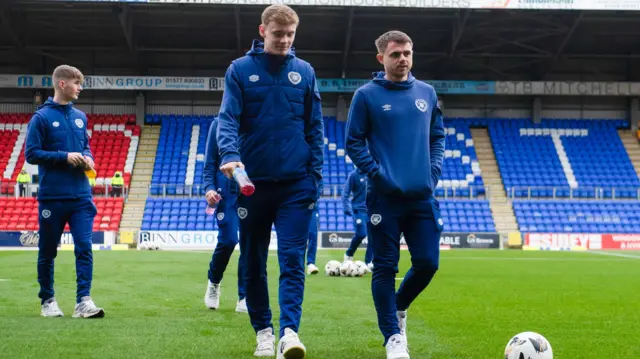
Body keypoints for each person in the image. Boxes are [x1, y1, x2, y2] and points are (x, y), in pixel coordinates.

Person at [217, 4, 324, 358]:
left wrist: (316, 176)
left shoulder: (305, 72)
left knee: (293, 259)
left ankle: (289, 333)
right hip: (253, 184)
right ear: (263, 31)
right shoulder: (240, 70)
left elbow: (315, 128)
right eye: (278, 34)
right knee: (253, 261)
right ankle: (263, 329)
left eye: (290, 35)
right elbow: (228, 119)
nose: (284, 41)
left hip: (296, 185)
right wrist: (230, 155)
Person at [345, 30, 445, 359]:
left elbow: (437, 137)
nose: (402, 58)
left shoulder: (427, 93)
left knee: (428, 264)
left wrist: (433, 174)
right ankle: (393, 337)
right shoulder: (366, 95)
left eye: (407, 53)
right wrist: (376, 174)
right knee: (385, 267)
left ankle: (399, 308)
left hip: (421, 197)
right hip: (383, 198)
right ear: (381, 59)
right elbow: (353, 141)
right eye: (395, 54)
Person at [25, 64, 105, 319]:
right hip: (53, 197)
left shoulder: (81, 116)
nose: (80, 88)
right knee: (48, 251)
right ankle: (48, 299)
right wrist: (64, 157)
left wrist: (88, 159)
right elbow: (31, 154)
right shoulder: (41, 117)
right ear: (62, 84)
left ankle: (83, 301)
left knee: (84, 247)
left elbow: (86, 147)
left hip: (81, 196)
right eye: (76, 83)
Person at [203, 117, 247, 313]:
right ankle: (214, 282)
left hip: (251, 190)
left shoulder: (256, 119)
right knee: (228, 241)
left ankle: (245, 296)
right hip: (226, 193)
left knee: (250, 244)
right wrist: (209, 188)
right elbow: (210, 163)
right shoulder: (218, 124)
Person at [341, 166, 373, 270]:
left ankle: (369, 262)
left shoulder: (372, 173)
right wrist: (347, 208)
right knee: (361, 234)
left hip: (372, 210)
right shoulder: (354, 175)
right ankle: (349, 253)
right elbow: (345, 193)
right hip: (359, 210)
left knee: (373, 237)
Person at [304, 180, 323, 275]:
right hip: (297, 207)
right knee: (299, 236)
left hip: (312, 208)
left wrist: (311, 199)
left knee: (313, 234)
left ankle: (311, 263)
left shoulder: (318, 174)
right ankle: (297, 262)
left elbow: (320, 188)